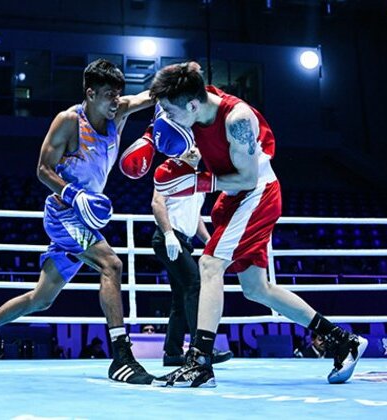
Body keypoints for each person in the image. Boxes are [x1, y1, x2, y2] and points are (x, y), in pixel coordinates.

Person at [149, 62, 367, 387]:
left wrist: (196, 182)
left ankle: (199, 362)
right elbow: (168, 89)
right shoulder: (187, 98)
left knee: (209, 265)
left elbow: (248, 177)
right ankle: (340, 339)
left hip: (256, 193)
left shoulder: (237, 119)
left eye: (170, 111)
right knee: (256, 289)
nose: (166, 117)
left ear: (193, 104)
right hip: (235, 196)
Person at [0, 58, 155, 384]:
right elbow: (42, 170)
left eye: (118, 94)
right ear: (90, 93)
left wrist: (181, 78)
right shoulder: (69, 121)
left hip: (83, 219)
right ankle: (121, 357)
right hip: (64, 214)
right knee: (111, 265)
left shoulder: (120, 111)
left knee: (41, 298)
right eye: (108, 95)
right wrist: (75, 195)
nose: (115, 101)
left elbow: (153, 94)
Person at [151, 145, 232, 367]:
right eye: (190, 147)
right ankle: (201, 349)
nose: (196, 150)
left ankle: (173, 353)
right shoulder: (168, 170)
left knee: (180, 297)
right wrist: (168, 234)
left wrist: (209, 241)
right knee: (195, 285)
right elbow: (157, 203)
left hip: (184, 242)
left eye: (198, 147)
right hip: (168, 239)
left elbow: (195, 218)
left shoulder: (199, 182)